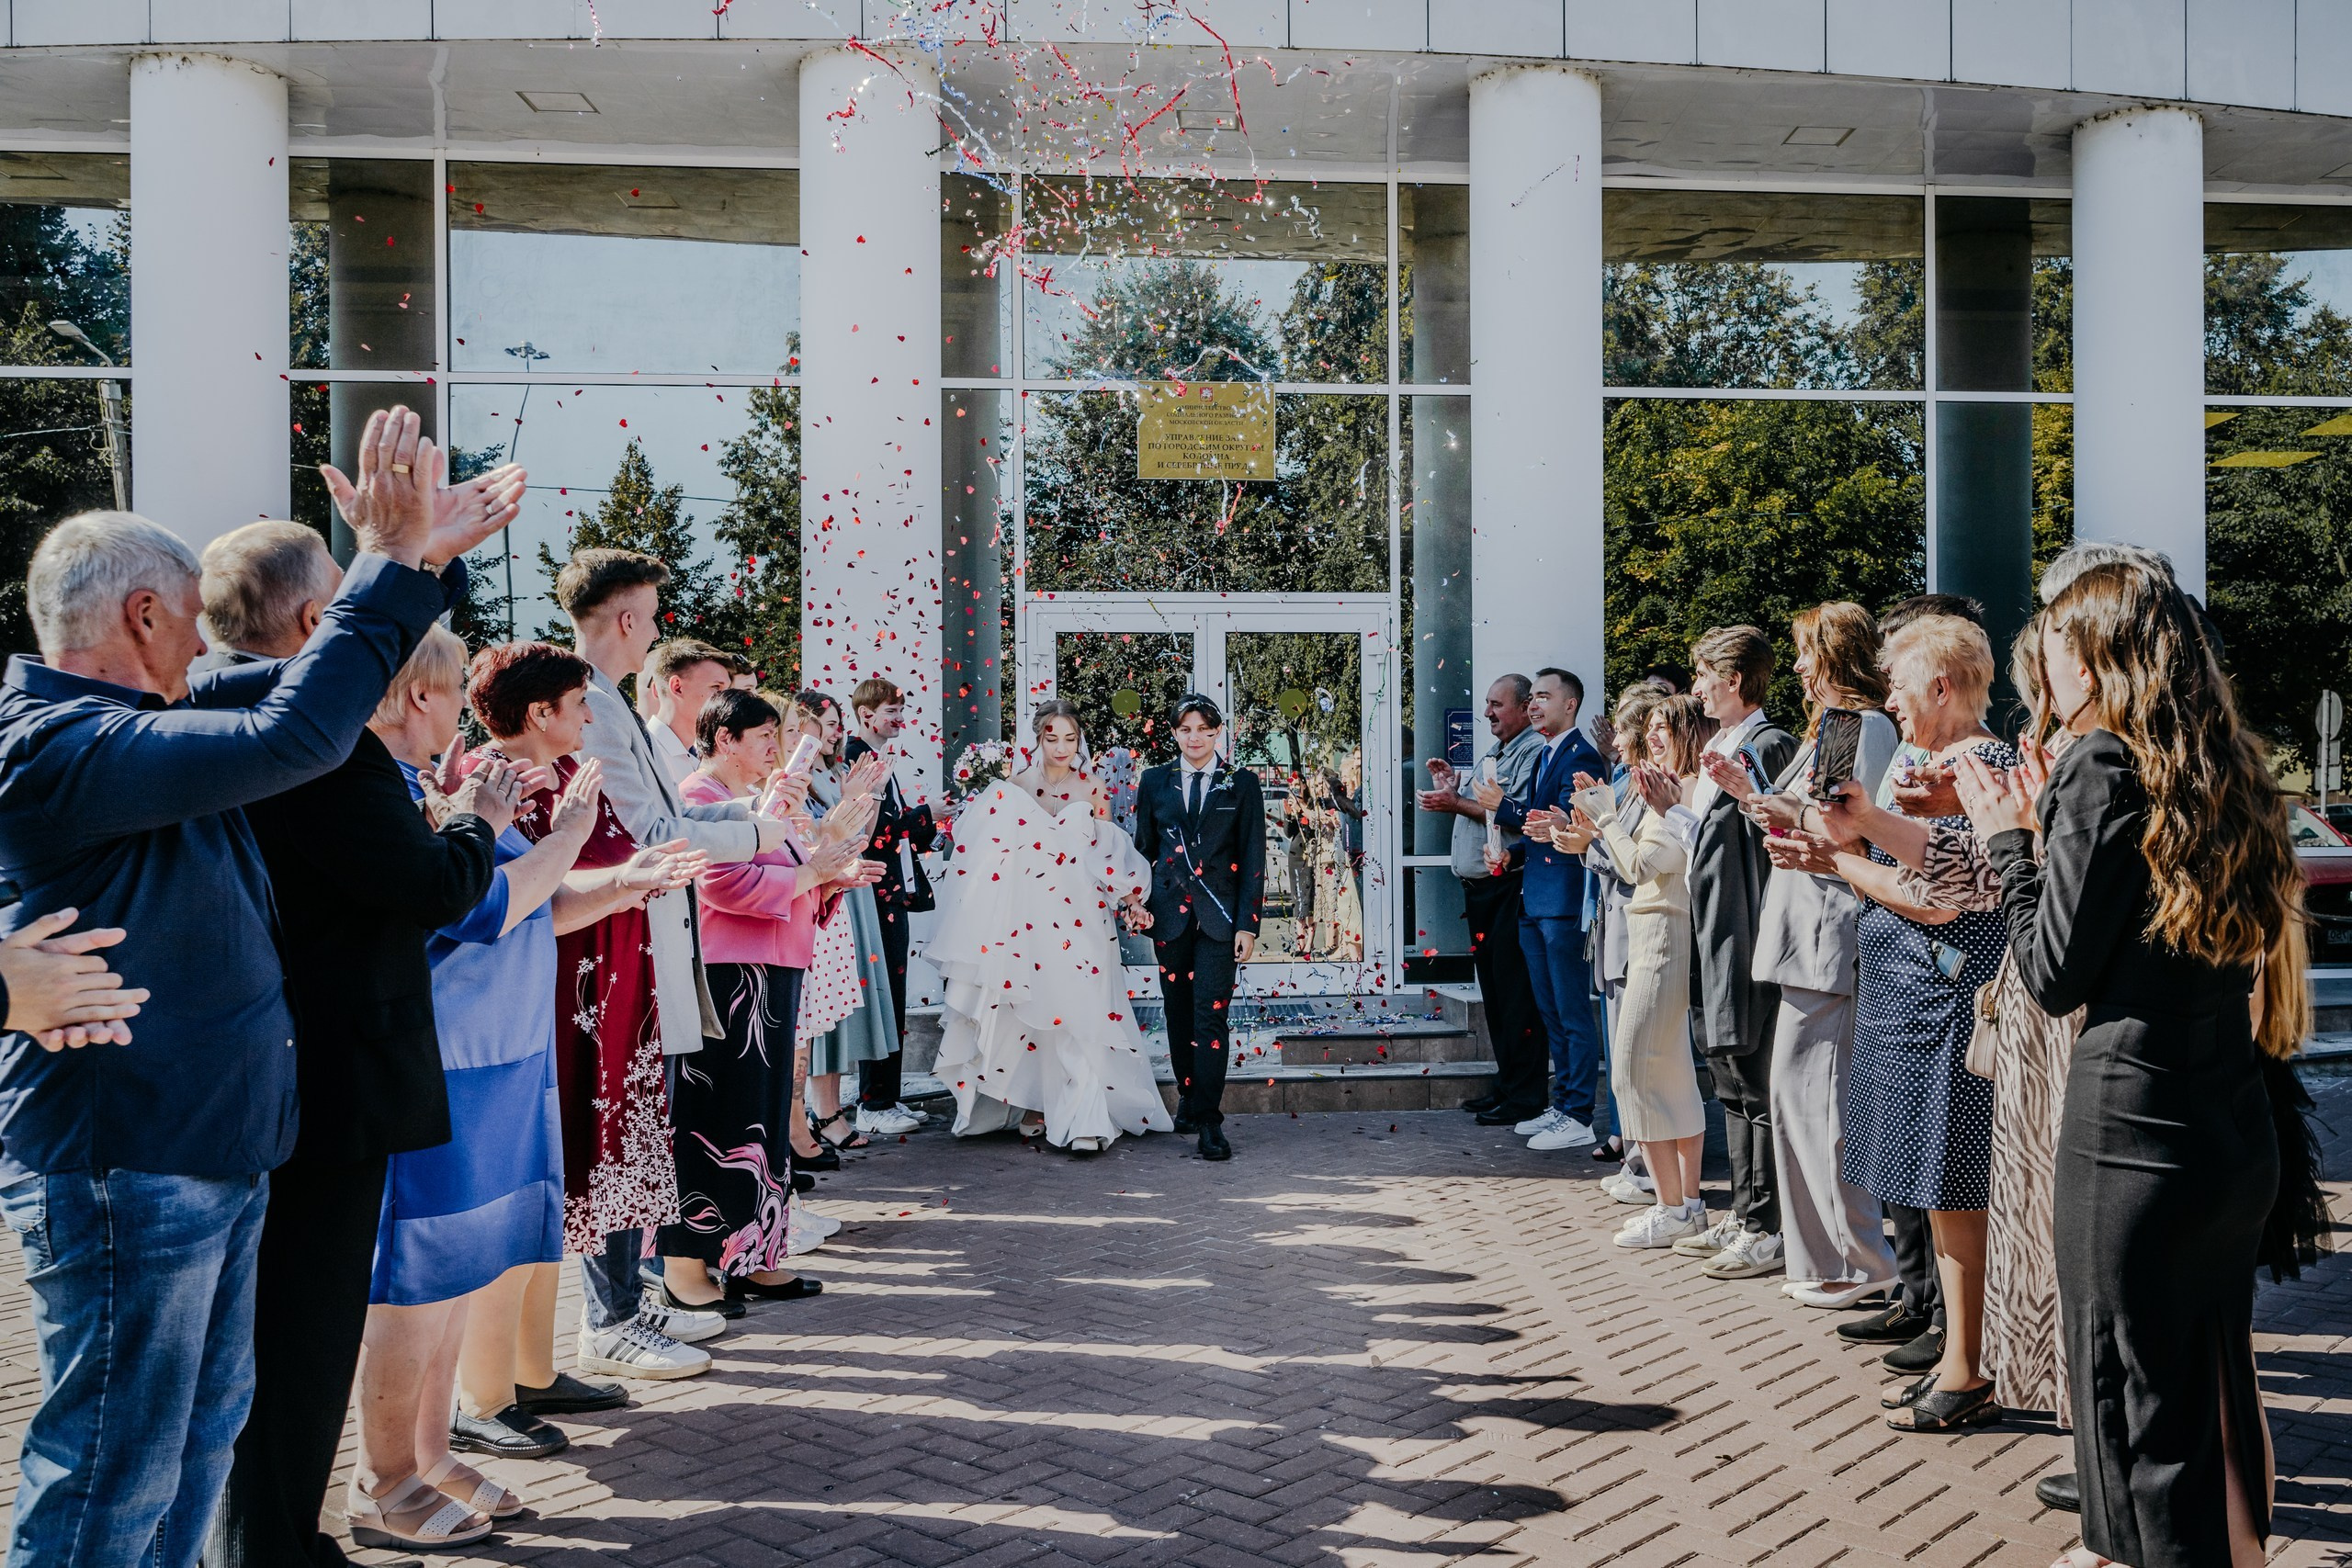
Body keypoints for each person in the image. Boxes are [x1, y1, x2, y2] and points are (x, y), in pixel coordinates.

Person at [0, 407, 486, 1568]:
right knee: (114, 1475)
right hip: (134, 1164)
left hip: (210, 1151)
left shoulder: (146, 722)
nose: (209, 647)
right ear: (145, 613)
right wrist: (393, 561)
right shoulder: (66, 741)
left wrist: (410, 565)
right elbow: (295, 733)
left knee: (192, 1456)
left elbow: (284, 700)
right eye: (190, 622)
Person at [1973, 562, 2317, 1568]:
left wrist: (2008, 845)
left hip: (2131, 1125)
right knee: (2207, 1381)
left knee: (2134, 1407)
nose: (2049, 670)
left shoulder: (2099, 767)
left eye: (2061, 650)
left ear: (2098, 660)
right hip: (2226, 1118)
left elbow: (2050, 971)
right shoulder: (2231, 767)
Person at [197, 525, 511, 1568]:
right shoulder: (323, 749)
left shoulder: (221, 711)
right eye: (343, 601)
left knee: (278, 1330)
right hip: (330, 1072)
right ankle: (272, 1545)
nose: (359, 622)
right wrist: (468, 823)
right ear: (305, 624)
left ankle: (266, 1535)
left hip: (275, 1062)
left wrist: (419, 550)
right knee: (302, 1332)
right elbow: (429, 890)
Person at [353, 631, 666, 1547]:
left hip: (502, 1050)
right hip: (450, 1053)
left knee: (459, 1272)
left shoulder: (443, 791)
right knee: (419, 1276)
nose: (459, 713)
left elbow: (525, 904)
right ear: (415, 698)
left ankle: (429, 1455)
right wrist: (570, 835)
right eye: (448, 693)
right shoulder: (445, 791)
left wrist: (620, 884)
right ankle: (386, 1478)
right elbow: (477, 908)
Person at [554, 551, 792, 1375]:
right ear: (625, 619)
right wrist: (759, 833)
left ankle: (626, 1299)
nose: (656, 629)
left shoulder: (611, 704)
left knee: (640, 1125)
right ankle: (610, 1314)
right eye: (651, 615)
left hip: (647, 938)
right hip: (618, 944)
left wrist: (750, 810)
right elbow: (652, 837)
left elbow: (666, 810)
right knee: (618, 1124)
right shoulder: (591, 704)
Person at [468, 639, 718, 1382]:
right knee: (575, 1155)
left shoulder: (578, 772)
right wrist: (626, 876)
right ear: (539, 711)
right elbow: (528, 896)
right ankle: (583, 1334)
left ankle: (594, 1326)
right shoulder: (496, 787)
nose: (587, 718)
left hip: (617, 994)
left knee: (618, 1150)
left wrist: (637, 874)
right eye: (577, 705)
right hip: (565, 1000)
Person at [1816, 614, 2014, 1432]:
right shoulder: (1927, 760)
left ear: (1941, 686)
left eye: (1898, 682)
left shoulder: (1984, 762)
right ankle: (1955, 1353)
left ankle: (1968, 1366)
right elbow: (1914, 871)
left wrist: (1842, 850)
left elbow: (1941, 898)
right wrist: (1850, 840)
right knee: (1936, 1193)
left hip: (1948, 999)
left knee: (1954, 1189)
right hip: (1915, 995)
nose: (1889, 698)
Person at [652, 689, 878, 1312]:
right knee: (717, 1117)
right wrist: (812, 872)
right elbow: (723, 883)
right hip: (728, 976)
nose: (773, 754)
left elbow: (797, 875)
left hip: (775, 968)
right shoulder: (698, 797)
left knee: (765, 1116)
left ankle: (756, 1253)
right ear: (725, 738)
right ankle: (688, 1266)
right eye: (763, 740)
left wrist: (830, 871)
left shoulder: (761, 803)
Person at [1723, 603, 1905, 1311]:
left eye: (1806, 653)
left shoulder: (1863, 727)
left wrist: (1788, 821)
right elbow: (1807, 813)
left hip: (1832, 932)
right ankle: (1827, 1256)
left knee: (1824, 1107)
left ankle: (1862, 1260)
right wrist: (1753, 799)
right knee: (1796, 1101)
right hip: (1804, 930)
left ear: (1835, 654)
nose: (1797, 667)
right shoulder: (1828, 727)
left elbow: (1863, 834)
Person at [927, 699, 1173, 1153]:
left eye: (1070, 738)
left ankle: (1084, 1117)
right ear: (1037, 738)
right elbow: (986, 857)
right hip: (1030, 918)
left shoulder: (1094, 788)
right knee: (1034, 1012)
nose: (1062, 747)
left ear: (1080, 740)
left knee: (1080, 1007)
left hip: (1083, 917)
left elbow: (1109, 855)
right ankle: (1036, 1103)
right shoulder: (1013, 788)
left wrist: (1131, 899)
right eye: (1052, 737)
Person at [1657, 626, 1800, 1280]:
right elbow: (1708, 845)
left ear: (1735, 678)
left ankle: (1768, 1222)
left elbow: (1769, 834)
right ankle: (1743, 1213)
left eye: (1703, 674)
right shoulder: (1721, 744)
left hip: (1743, 934)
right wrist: (1672, 809)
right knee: (1730, 1080)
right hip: (1710, 930)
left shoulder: (1768, 745)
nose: (1696, 687)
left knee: (1755, 1077)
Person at [1569, 694, 1713, 1247]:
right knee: (1670, 1075)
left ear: (1688, 732)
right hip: (1655, 935)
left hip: (1663, 942)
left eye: (1663, 728)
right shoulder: (1668, 788)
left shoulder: (1685, 792)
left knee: (1636, 1070)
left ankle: (1674, 1207)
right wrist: (1598, 822)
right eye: (1649, 728)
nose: (1652, 737)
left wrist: (1606, 816)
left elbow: (1639, 867)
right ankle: (1686, 1206)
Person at [1128, 694, 1267, 1162]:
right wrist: (1135, 901)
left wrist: (1248, 925)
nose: (1195, 738)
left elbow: (1252, 858)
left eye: (1204, 730)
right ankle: (1187, 1096)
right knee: (1178, 1012)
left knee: (1210, 1017)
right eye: (1185, 729)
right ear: (1174, 733)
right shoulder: (1153, 782)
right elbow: (1142, 850)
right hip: (1168, 918)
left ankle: (1210, 1120)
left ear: (1216, 732)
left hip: (1219, 921)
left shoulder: (1241, 783)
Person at [1479, 668, 1607, 1151]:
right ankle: (1562, 1102)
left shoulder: (1583, 756)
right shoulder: (1547, 754)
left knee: (1572, 1010)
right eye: (1531, 698)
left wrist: (1503, 806)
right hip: (1535, 897)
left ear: (1570, 705)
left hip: (1563, 902)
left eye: (1544, 698)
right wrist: (1510, 854)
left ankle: (1578, 1113)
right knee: (1550, 1010)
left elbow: (1571, 826)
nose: (1534, 706)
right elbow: (1541, 833)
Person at [1419, 675, 1547, 1127]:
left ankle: (1527, 1094)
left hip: (1507, 888)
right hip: (1480, 891)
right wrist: (1454, 786)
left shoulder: (1532, 750)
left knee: (1515, 996)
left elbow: (1516, 815)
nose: (1488, 713)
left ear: (1524, 705)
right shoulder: (1496, 751)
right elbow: (1484, 807)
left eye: (1496, 705)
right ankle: (1508, 1084)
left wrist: (1455, 803)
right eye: (1487, 705)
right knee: (1494, 995)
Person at [788, 691, 899, 1155]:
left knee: (831, 1014)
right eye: (831, 722)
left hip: (842, 894)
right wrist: (854, 799)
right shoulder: (793, 780)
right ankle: (816, 1117)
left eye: (836, 722)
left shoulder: (830, 774)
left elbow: (858, 838)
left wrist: (867, 795)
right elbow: (813, 838)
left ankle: (827, 1110)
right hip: (816, 897)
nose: (838, 731)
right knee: (813, 1022)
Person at [843, 676, 942, 1136]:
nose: (900, 719)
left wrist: (932, 827)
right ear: (866, 716)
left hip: (890, 893)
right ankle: (873, 1102)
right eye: (891, 712)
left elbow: (896, 830)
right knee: (880, 996)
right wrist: (928, 815)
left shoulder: (877, 760)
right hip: (871, 893)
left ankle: (889, 1097)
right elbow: (872, 833)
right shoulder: (855, 759)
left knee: (893, 996)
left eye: (901, 711)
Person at [639, 638, 733, 785]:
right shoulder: (645, 755)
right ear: (677, 687)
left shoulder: (702, 757)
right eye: (716, 687)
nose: (726, 699)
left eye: (727, 690)